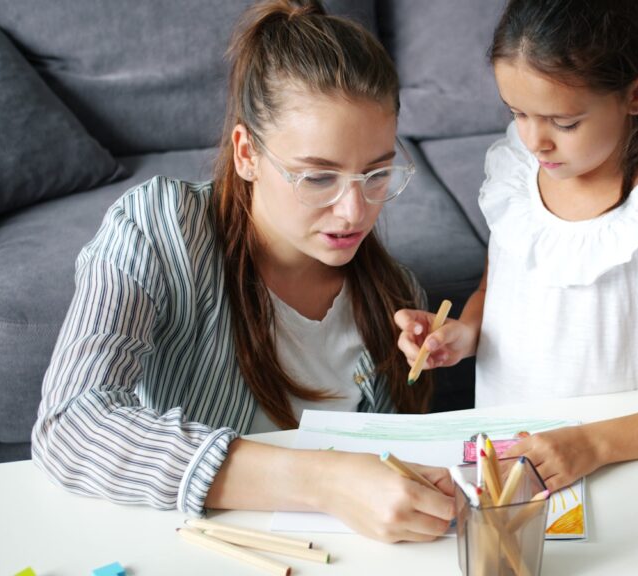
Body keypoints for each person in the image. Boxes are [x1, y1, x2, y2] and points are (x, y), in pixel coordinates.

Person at [32, 0, 455, 543]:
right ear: (246, 153)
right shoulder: (159, 230)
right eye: (317, 177)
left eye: (376, 173)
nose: (356, 212)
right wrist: (323, 481)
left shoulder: (394, 295)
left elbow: (390, 464)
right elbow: (70, 427)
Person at [395, 0, 638, 493]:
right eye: (517, 112)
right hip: (512, 469)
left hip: (618, 471)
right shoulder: (517, 171)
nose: (534, 140)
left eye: (562, 123)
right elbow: (496, 290)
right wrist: (464, 332)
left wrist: (592, 444)